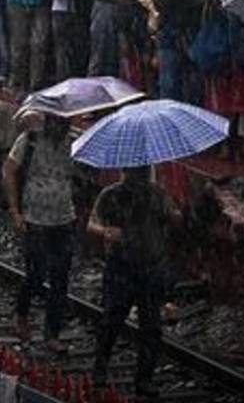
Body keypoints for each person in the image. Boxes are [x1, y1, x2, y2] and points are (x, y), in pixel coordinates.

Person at [87, 166, 180, 398]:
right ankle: (100, 368)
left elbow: (174, 219)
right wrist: (106, 231)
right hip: (122, 267)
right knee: (112, 319)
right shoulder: (111, 195)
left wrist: (175, 214)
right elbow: (92, 223)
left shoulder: (157, 195)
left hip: (150, 267)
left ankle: (144, 379)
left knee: (151, 327)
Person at [2, 112, 76, 354]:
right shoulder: (30, 140)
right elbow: (9, 170)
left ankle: (52, 334)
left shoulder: (75, 143)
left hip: (64, 218)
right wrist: (15, 210)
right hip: (35, 218)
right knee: (36, 273)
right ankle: (21, 313)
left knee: (60, 278)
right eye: (59, 123)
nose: (63, 128)